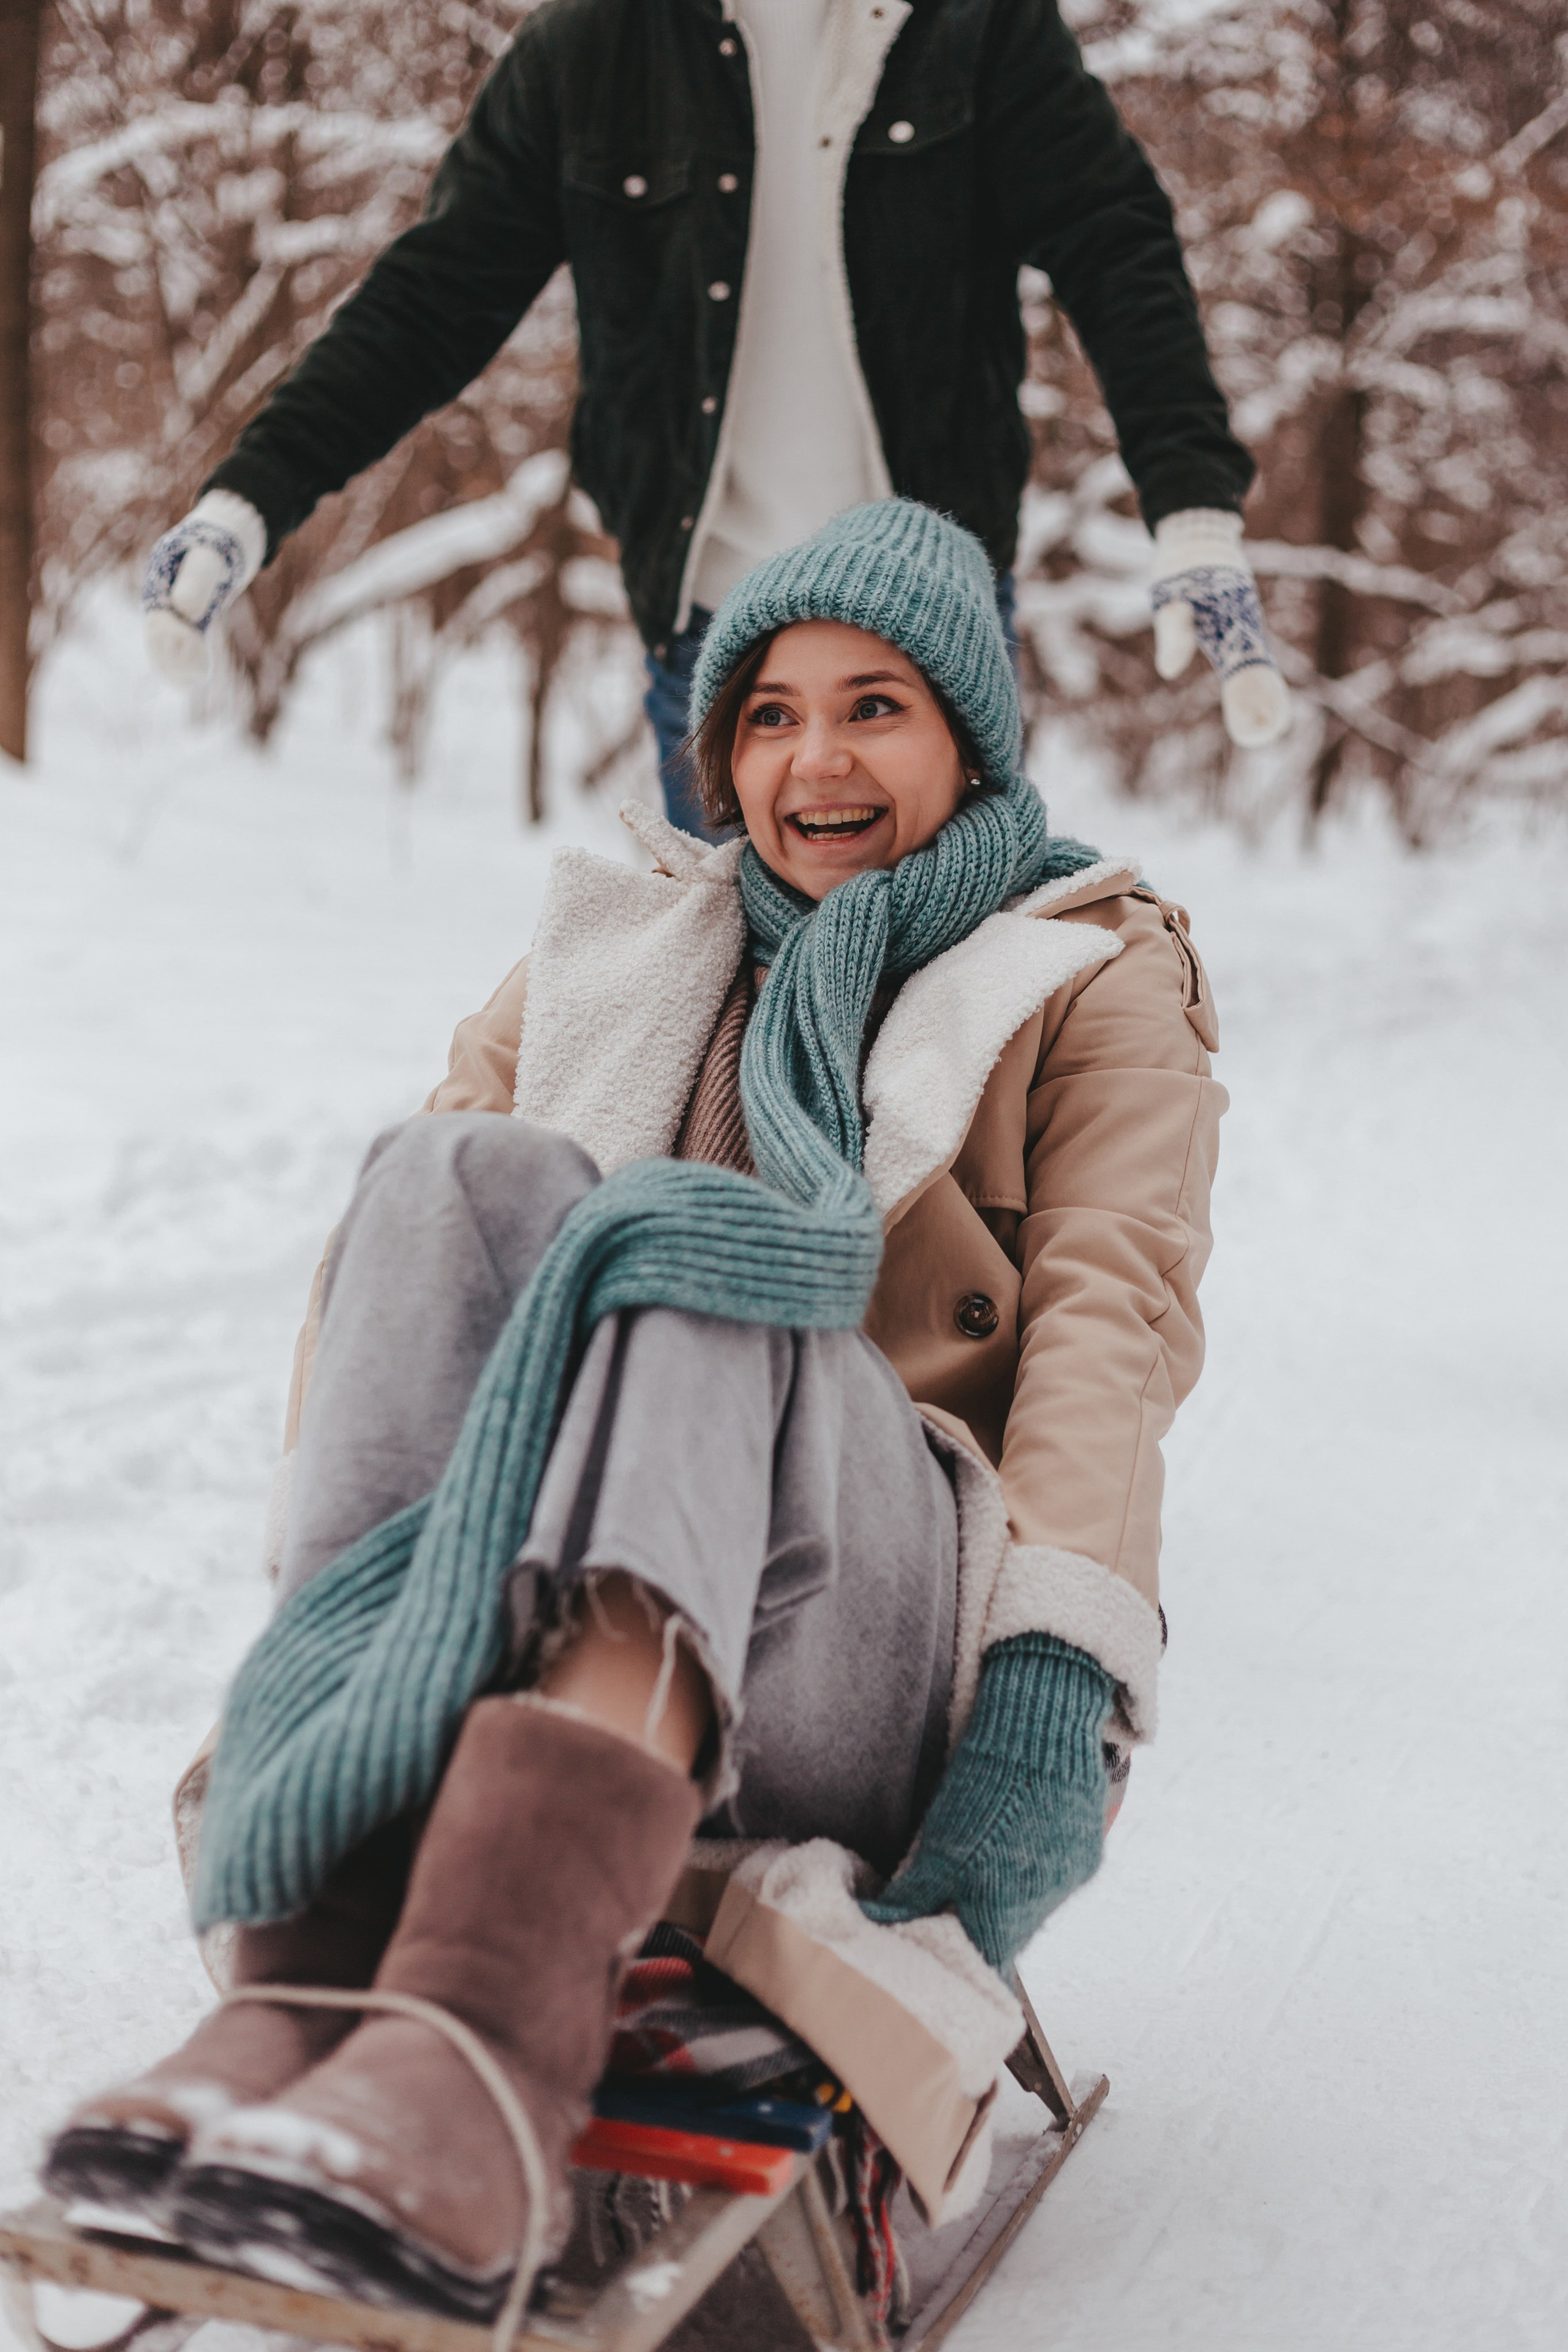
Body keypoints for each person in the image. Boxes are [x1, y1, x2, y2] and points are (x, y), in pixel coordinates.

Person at [47, 501, 1224, 2313]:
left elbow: (1108, 1329)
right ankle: (312, 1980)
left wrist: (1050, 1701)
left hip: (871, 1626)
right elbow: (421, 1297)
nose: (813, 758)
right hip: (552, 1567)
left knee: (692, 1244)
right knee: (445, 1179)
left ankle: (486, 2056)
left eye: (875, 705)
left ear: (966, 739)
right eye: (768, 714)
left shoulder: (1086, 966)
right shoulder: (626, 942)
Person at [141, 0, 1287, 834]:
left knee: (943, 1015)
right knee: (736, 1011)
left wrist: (1192, 506)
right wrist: (251, 497)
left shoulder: (970, 27)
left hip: (934, 625)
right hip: (715, 636)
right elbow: (433, 297)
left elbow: (1114, 239)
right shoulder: (593, 45)